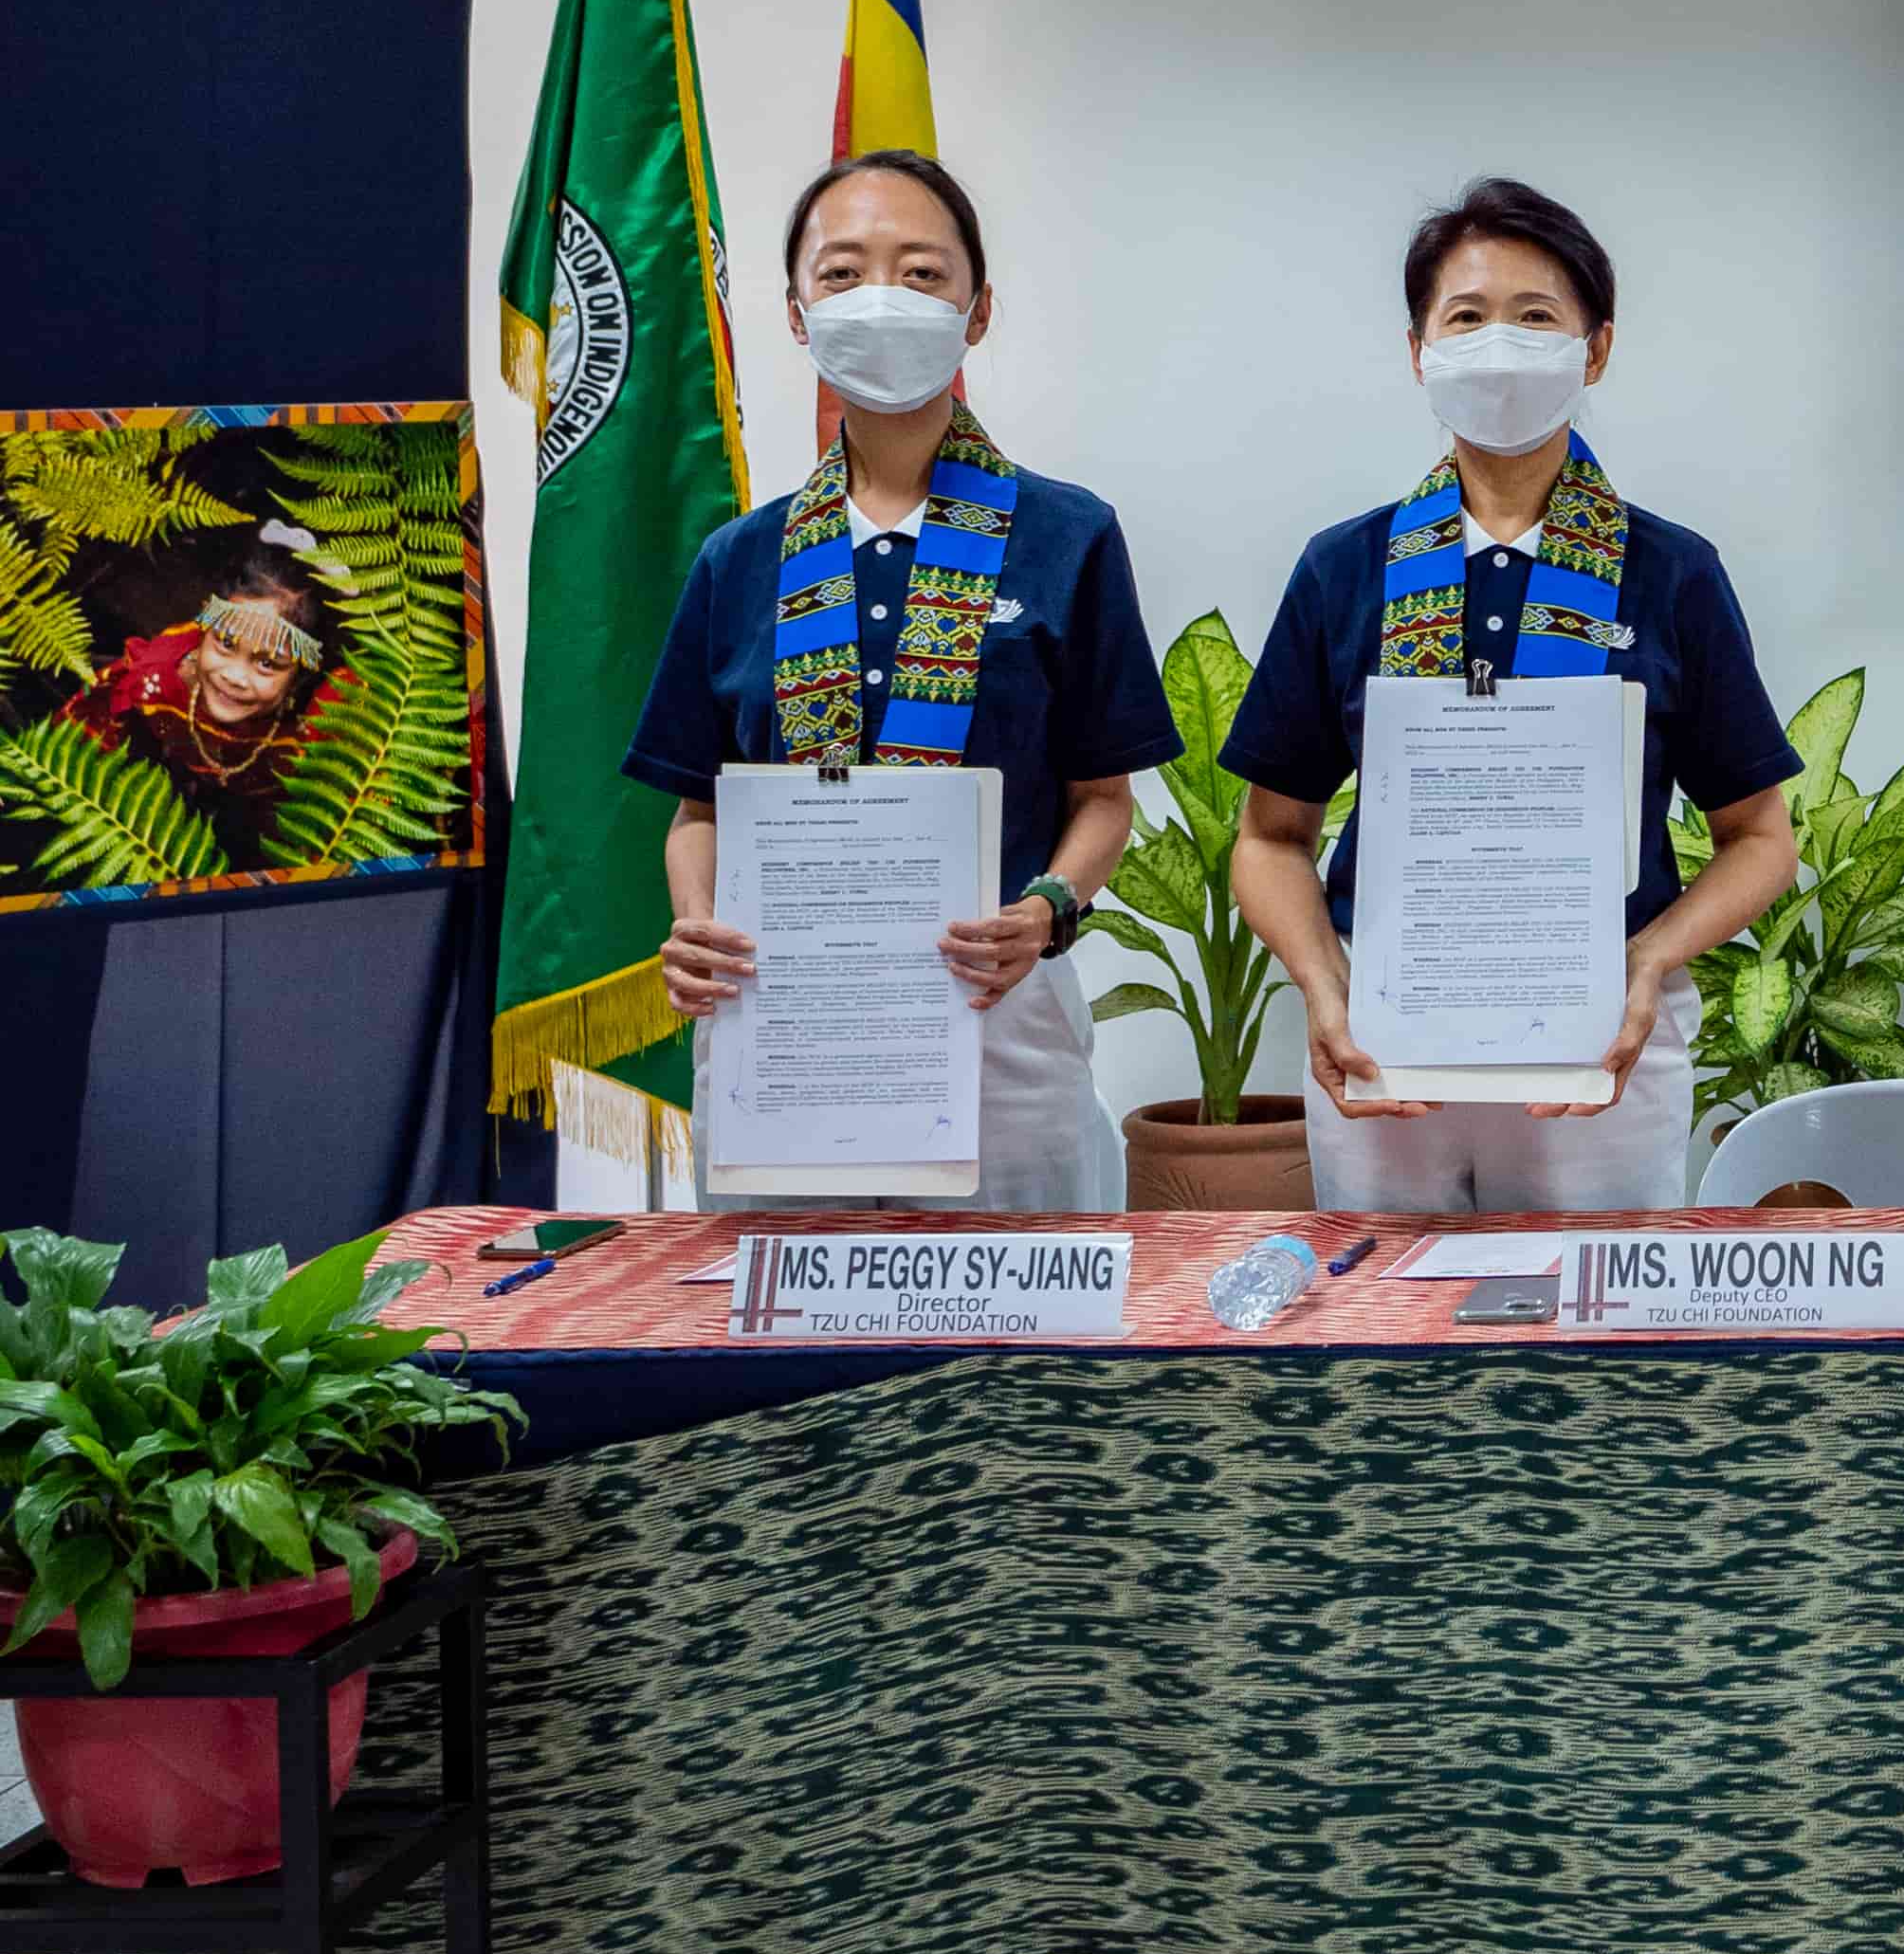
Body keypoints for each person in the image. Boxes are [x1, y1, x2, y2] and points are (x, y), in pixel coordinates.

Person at [1221, 178, 1807, 1215]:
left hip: (1603, 1035)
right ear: (1418, 351)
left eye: (1536, 317)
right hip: (1386, 1036)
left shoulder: (1670, 573)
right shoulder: (1344, 570)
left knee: (1600, 1334)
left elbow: (1760, 836)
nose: (1499, 344)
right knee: (1386, 1331)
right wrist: (1323, 985)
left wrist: (1648, 963)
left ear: (1597, 347)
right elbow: (1270, 836)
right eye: (1467, 317)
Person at [637, 148, 1178, 1210]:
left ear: (978, 311)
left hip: (996, 1011)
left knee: (1027, 1337)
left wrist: (1048, 909)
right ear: (795, 313)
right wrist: (696, 924)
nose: (880, 296)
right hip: (781, 1024)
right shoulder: (739, 562)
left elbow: (1105, 800)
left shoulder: (1067, 536)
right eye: (842, 273)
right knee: (794, 1343)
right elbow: (698, 808)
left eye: (922, 272)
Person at [76, 528, 345, 858]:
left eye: (267, 664)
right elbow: (83, 744)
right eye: (226, 643)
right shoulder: (157, 680)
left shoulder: (327, 723)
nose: (234, 676)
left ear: (303, 673)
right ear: (205, 626)